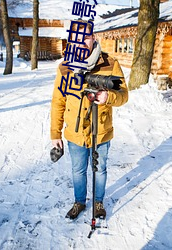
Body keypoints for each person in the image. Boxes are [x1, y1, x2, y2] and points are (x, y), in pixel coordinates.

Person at [50, 20, 128, 220]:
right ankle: (79, 202)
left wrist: (108, 97)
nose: (82, 42)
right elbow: (58, 102)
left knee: (100, 168)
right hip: (75, 132)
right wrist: (55, 134)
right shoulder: (65, 68)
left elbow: (124, 95)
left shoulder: (110, 64)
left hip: (101, 130)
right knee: (78, 170)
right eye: (77, 38)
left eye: (86, 37)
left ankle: (99, 202)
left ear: (93, 38)